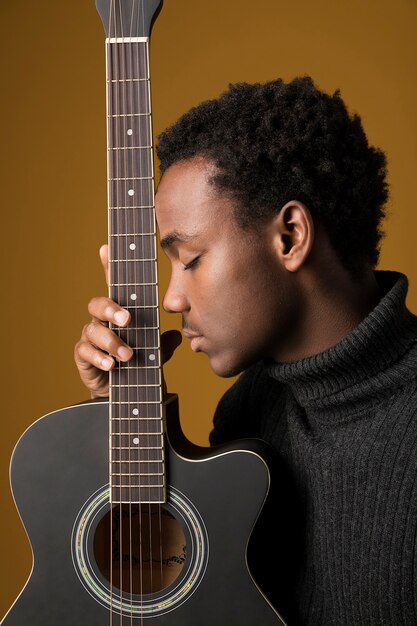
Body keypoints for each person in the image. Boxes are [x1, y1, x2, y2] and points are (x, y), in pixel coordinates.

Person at [74, 76, 417, 625]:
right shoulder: (248, 415)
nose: (171, 298)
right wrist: (114, 409)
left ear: (289, 237)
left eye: (188, 259)